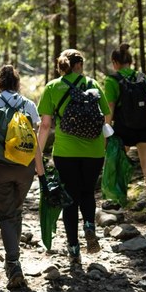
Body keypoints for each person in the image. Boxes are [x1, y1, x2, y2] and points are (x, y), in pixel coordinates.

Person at [37, 49, 110, 266]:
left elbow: (46, 125)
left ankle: (74, 249)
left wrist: (38, 153)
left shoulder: (52, 87)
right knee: (87, 193)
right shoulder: (93, 84)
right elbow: (106, 117)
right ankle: (89, 225)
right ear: (80, 65)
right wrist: (102, 147)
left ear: (61, 66)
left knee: (69, 198)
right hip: (94, 150)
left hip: (65, 151)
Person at [0, 65, 45, 289]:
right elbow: (34, 140)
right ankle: (12, 259)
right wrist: (40, 170)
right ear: (17, 84)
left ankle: (13, 263)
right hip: (25, 167)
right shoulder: (29, 104)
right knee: (15, 211)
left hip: (0, 166)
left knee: (6, 214)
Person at [103, 43, 146, 228]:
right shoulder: (144, 78)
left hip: (124, 128)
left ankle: (116, 204)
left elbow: (110, 107)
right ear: (130, 61)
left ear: (115, 62)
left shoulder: (112, 80)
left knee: (117, 164)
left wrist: (107, 131)